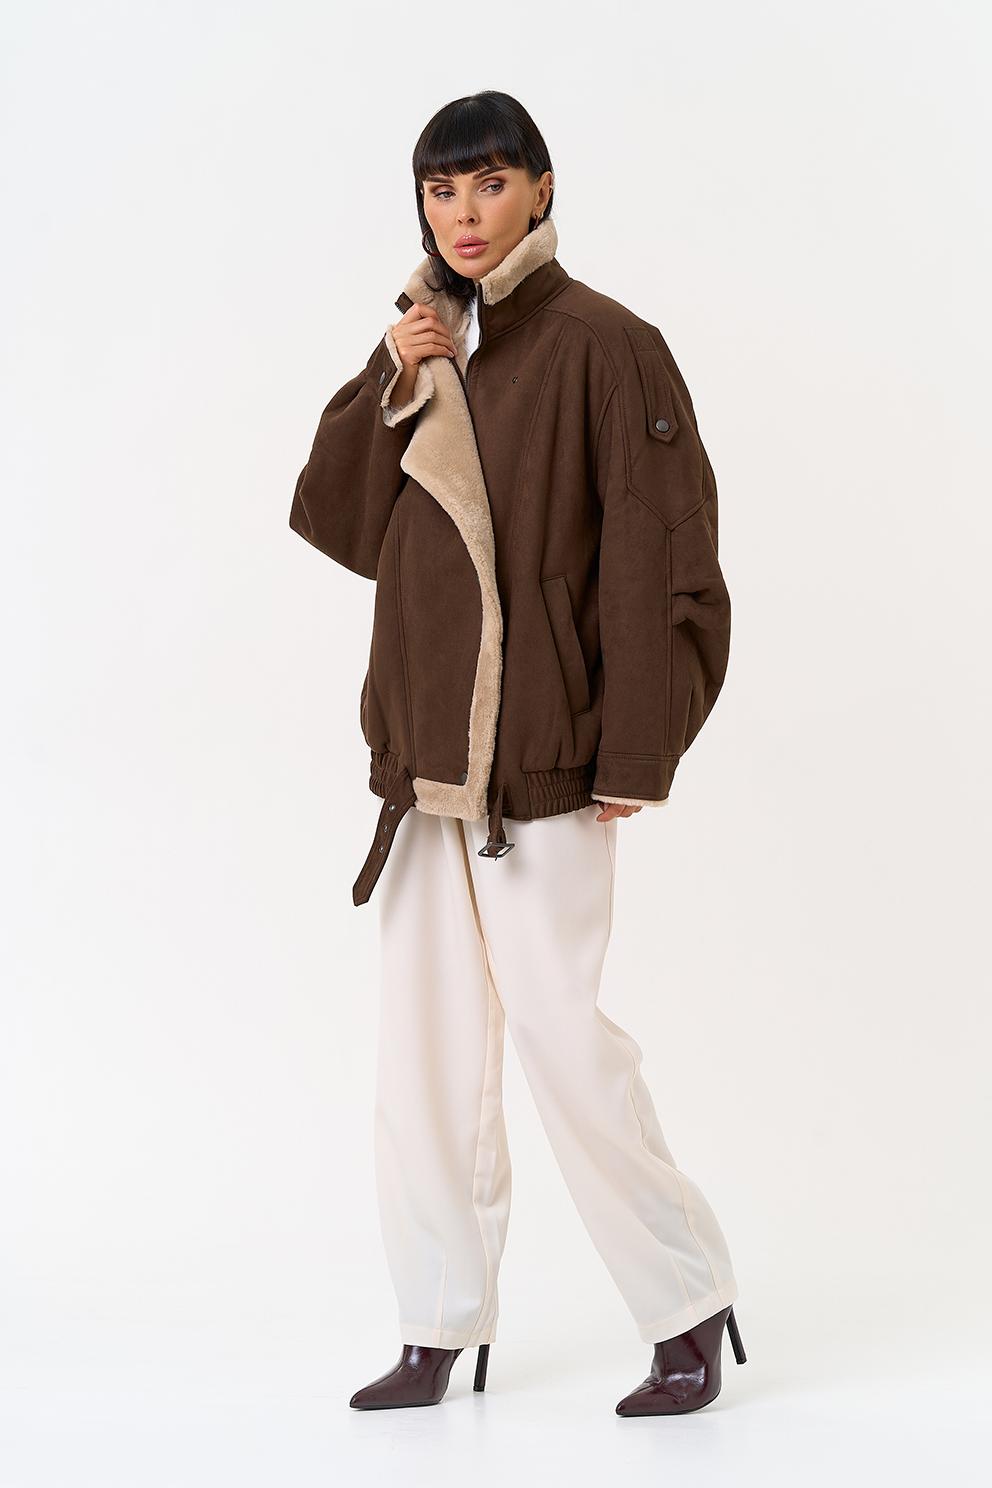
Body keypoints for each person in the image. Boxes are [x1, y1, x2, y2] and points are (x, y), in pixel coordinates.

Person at [289, 90, 746, 1417]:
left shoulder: (609, 345)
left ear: (542, 189)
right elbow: (337, 524)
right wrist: (392, 374)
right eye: (441, 191)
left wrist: (636, 753)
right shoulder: (427, 342)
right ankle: (436, 1323)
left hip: (547, 762)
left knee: (562, 1039)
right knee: (424, 1061)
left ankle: (687, 1301)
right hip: (427, 763)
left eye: (488, 185)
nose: (464, 215)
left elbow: (668, 563)